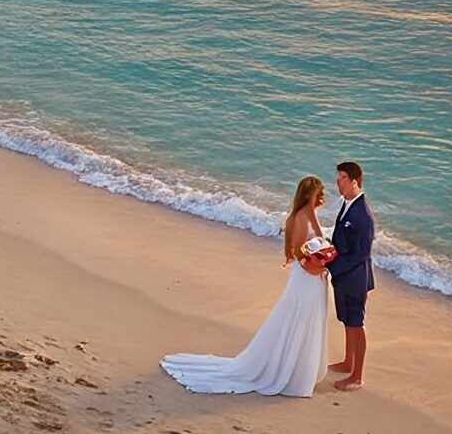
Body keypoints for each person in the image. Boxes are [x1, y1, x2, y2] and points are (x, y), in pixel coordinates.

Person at [161, 176, 330, 397]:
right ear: (310, 196)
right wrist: (318, 268)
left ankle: (298, 368)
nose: (323, 197)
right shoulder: (301, 218)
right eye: (320, 193)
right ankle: (293, 372)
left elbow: (314, 244)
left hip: (311, 276)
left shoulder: (308, 215)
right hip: (307, 276)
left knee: (302, 319)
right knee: (298, 319)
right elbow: (300, 254)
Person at [325, 161, 376, 391]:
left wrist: (332, 266)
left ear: (354, 181)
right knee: (347, 320)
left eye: (342, 178)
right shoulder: (347, 204)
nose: (338, 182)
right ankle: (348, 362)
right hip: (344, 274)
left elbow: (360, 254)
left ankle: (357, 376)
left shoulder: (363, 214)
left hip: (355, 276)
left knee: (357, 322)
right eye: (338, 177)